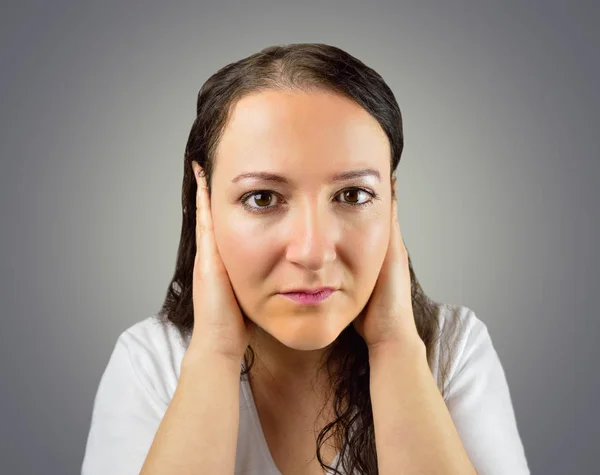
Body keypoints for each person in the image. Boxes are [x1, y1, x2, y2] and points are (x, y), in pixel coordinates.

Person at [81, 43, 530, 475]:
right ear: (206, 200)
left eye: (353, 195)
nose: (313, 251)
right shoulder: (151, 362)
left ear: (391, 199)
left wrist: (394, 346)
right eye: (262, 198)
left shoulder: (451, 351)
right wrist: (216, 353)